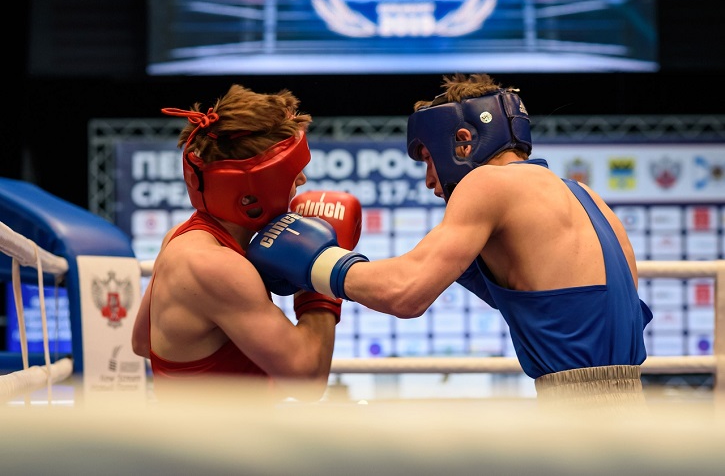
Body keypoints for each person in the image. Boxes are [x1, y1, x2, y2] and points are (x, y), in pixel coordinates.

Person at [247, 73, 654, 411]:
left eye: (428, 158)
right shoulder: (586, 199)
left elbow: (405, 293)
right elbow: (570, 315)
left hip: (578, 415)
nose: (429, 181)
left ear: (462, 141)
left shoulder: (487, 183)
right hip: (631, 404)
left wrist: (315, 261)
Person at [131, 84, 362, 403]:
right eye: (291, 172)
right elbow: (308, 378)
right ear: (254, 191)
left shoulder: (181, 238)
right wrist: (321, 271)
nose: (302, 180)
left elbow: (142, 342)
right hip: (218, 435)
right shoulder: (215, 266)